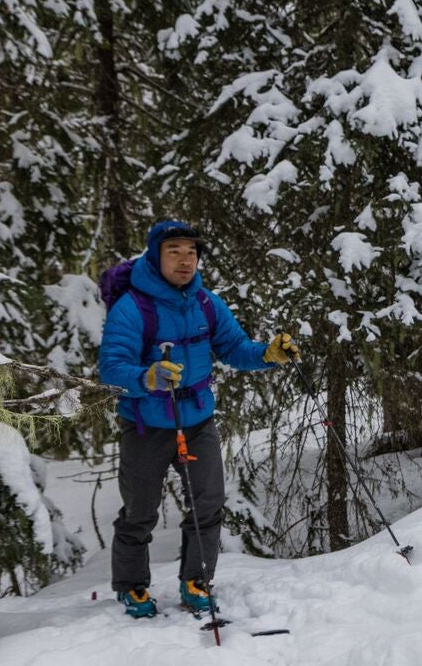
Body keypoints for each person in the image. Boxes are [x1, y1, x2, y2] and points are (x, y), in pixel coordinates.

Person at [98, 220, 299, 618]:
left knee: (207, 504)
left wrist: (266, 354)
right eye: (174, 251)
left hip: (197, 421)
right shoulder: (133, 308)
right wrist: (146, 377)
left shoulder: (206, 303)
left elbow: (234, 347)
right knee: (140, 512)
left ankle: (197, 580)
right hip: (146, 426)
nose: (185, 260)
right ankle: (131, 586)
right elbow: (111, 368)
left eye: (191, 252)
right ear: (155, 257)